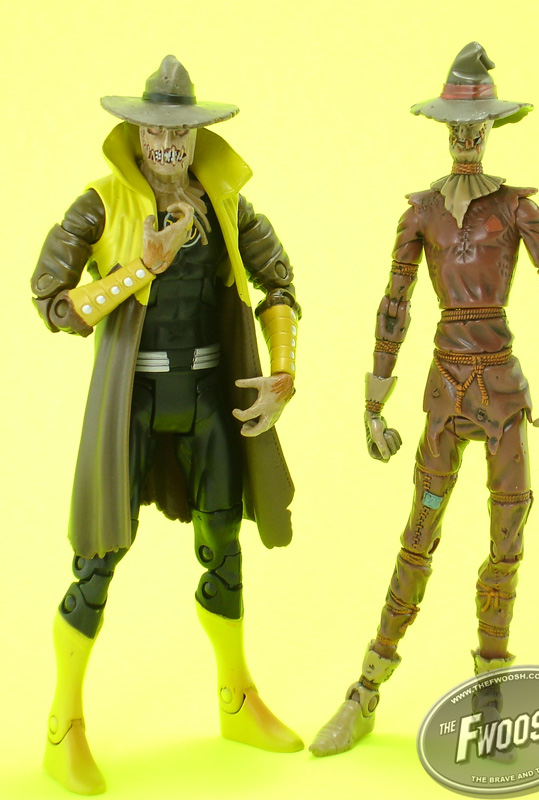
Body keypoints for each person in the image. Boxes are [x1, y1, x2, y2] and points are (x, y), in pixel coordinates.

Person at [310, 42, 539, 757]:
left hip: (501, 397)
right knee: (419, 534)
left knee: (507, 543)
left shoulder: (518, 210)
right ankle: (366, 688)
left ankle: (491, 697)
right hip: (444, 395)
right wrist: (374, 401)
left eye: (477, 127)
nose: (467, 138)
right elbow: (394, 306)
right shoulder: (422, 214)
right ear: (444, 129)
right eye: (457, 127)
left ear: (490, 128)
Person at [32, 55, 302, 794]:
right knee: (96, 562)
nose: (167, 143)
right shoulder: (101, 205)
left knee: (225, 546)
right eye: (155, 129)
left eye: (180, 131)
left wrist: (282, 372)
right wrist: (139, 270)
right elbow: (52, 301)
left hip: (212, 394)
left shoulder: (226, 204)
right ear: (135, 132)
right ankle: (63, 727)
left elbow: (279, 282)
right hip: (134, 400)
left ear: (196, 134)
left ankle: (236, 700)